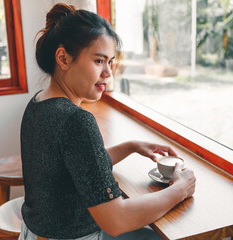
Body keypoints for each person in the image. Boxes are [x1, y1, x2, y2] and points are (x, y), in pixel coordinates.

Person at [19, 3, 196, 240]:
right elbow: (117, 220)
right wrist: (180, 190)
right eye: (99, 61)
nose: (108, 73)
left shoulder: (38, 104)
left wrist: (130, 146)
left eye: (110, 61)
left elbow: (78, 166)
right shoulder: (76, 120)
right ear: (63, 58)